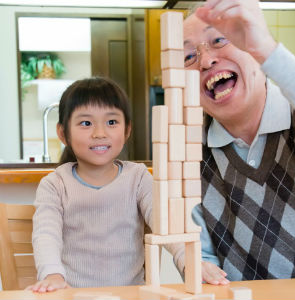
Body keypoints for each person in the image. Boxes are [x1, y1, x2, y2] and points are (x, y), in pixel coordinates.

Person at [26, 77, 186, 292]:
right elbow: (46, 235)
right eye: (86, 123)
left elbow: (164, 224)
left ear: (127, 130)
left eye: (111, 122)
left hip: (131, 296)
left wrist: (188, 260)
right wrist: (53, 276)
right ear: (63, 134)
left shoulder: (138, 177)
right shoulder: (55, 184)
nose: (99, 133)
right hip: (73, 295)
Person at [184, 0, 295, 281]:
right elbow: (202, 259)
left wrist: (267, 51)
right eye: (188, 57)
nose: (206, 60)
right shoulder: (189, 156)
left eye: (219, 40)